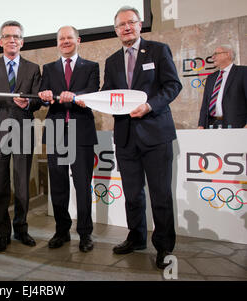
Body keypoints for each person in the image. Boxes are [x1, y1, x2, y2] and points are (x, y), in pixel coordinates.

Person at [101, 6, 182, 269]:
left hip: (155, 134)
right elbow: (107, 93)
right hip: (125, 137)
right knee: (132, 194)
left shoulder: (158, 50)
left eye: (130, 22)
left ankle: (164, 246)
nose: (126, 27)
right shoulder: (112, 61)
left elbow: (173, 85)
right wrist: (87, 99)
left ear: (140, 24)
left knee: (160, 195)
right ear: (116, 30)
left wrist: (149, 105)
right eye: (121, 24)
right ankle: (136, 237)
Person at [0, 21, 42, 253]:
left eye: (16, 36)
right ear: (1, 41)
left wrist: (29, 102)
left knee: (23, 186)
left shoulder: (33, 68)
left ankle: (21, 229)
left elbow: (37, 100)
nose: (12, 40)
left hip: (23, 129)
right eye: (7, 36)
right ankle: (2, 234)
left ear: (22, 42)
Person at [38, 26, 99, 253]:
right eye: (61, 38)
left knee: (82, 185)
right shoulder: (49, 68)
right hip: (55, 131)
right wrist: (44, 98)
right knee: (59, 184)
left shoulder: (91, 67)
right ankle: (61, 231)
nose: (65, 41)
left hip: (81, 131)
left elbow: (92, 93)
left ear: (78, 40)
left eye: (69, 38)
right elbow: (44, 96)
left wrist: (75, 97)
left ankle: (85, 234)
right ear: (57, 43)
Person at [198, 45, 247, 129]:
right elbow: (205, 104)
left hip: (237, 126)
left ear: (227, 54)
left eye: (216, 54)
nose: (213, 57)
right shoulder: (211, 78)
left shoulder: (243, 72)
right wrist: (201, 125)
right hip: (211, 125)